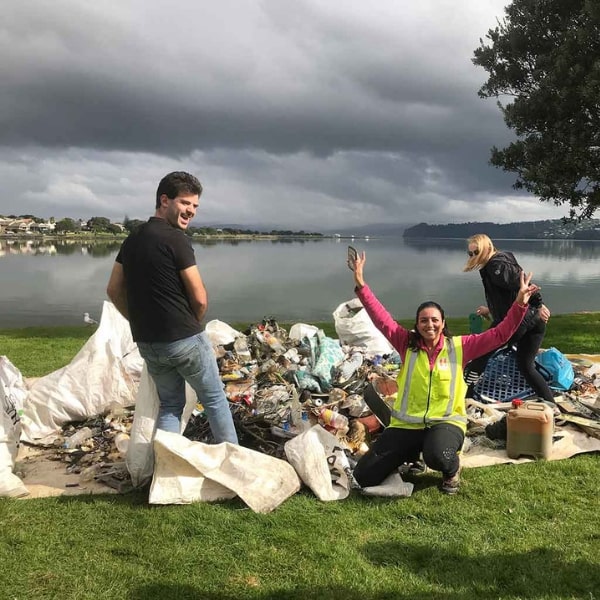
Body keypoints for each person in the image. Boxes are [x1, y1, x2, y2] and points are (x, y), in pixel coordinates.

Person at [348, 250, 538, 494]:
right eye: (424, 320)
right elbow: (380, 318)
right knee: (363, 476)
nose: (430, 325)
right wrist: (360, 283)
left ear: (443, 322)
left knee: (439, 456)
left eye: (434, 320)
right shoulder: (406, 344)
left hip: (446, 423)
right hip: (407, 426)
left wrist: (520, 303)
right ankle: (410, 455)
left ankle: (451, 470)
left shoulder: (460, 347)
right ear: (416, 325)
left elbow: (500, 334)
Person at [106, 171, 238, 444]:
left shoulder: (133, 239)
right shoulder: (176, 239)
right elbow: (200, 298)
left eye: (195, 206)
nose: (191, 211)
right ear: (164, 200)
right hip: (184, 338)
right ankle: (234, 465)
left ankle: (164, 473)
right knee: (214, 399)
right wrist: (191, 326)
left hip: (149, 342)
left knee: (170, 406)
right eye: (185, 203)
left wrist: (136, 320)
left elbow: (113, 289)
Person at [463, 234, 555, 406]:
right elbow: (511, 294)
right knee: (526, 365)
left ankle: (464, 397)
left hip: (516, 321)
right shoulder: (500, 262)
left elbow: (523, 285)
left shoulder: (496, 266)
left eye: (477, 252)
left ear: (488, 248)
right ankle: (552, 405)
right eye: (471, 254)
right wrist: (489, 309)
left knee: (478, 355)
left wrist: (539, 304)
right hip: (533, 321)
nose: (473, 256)